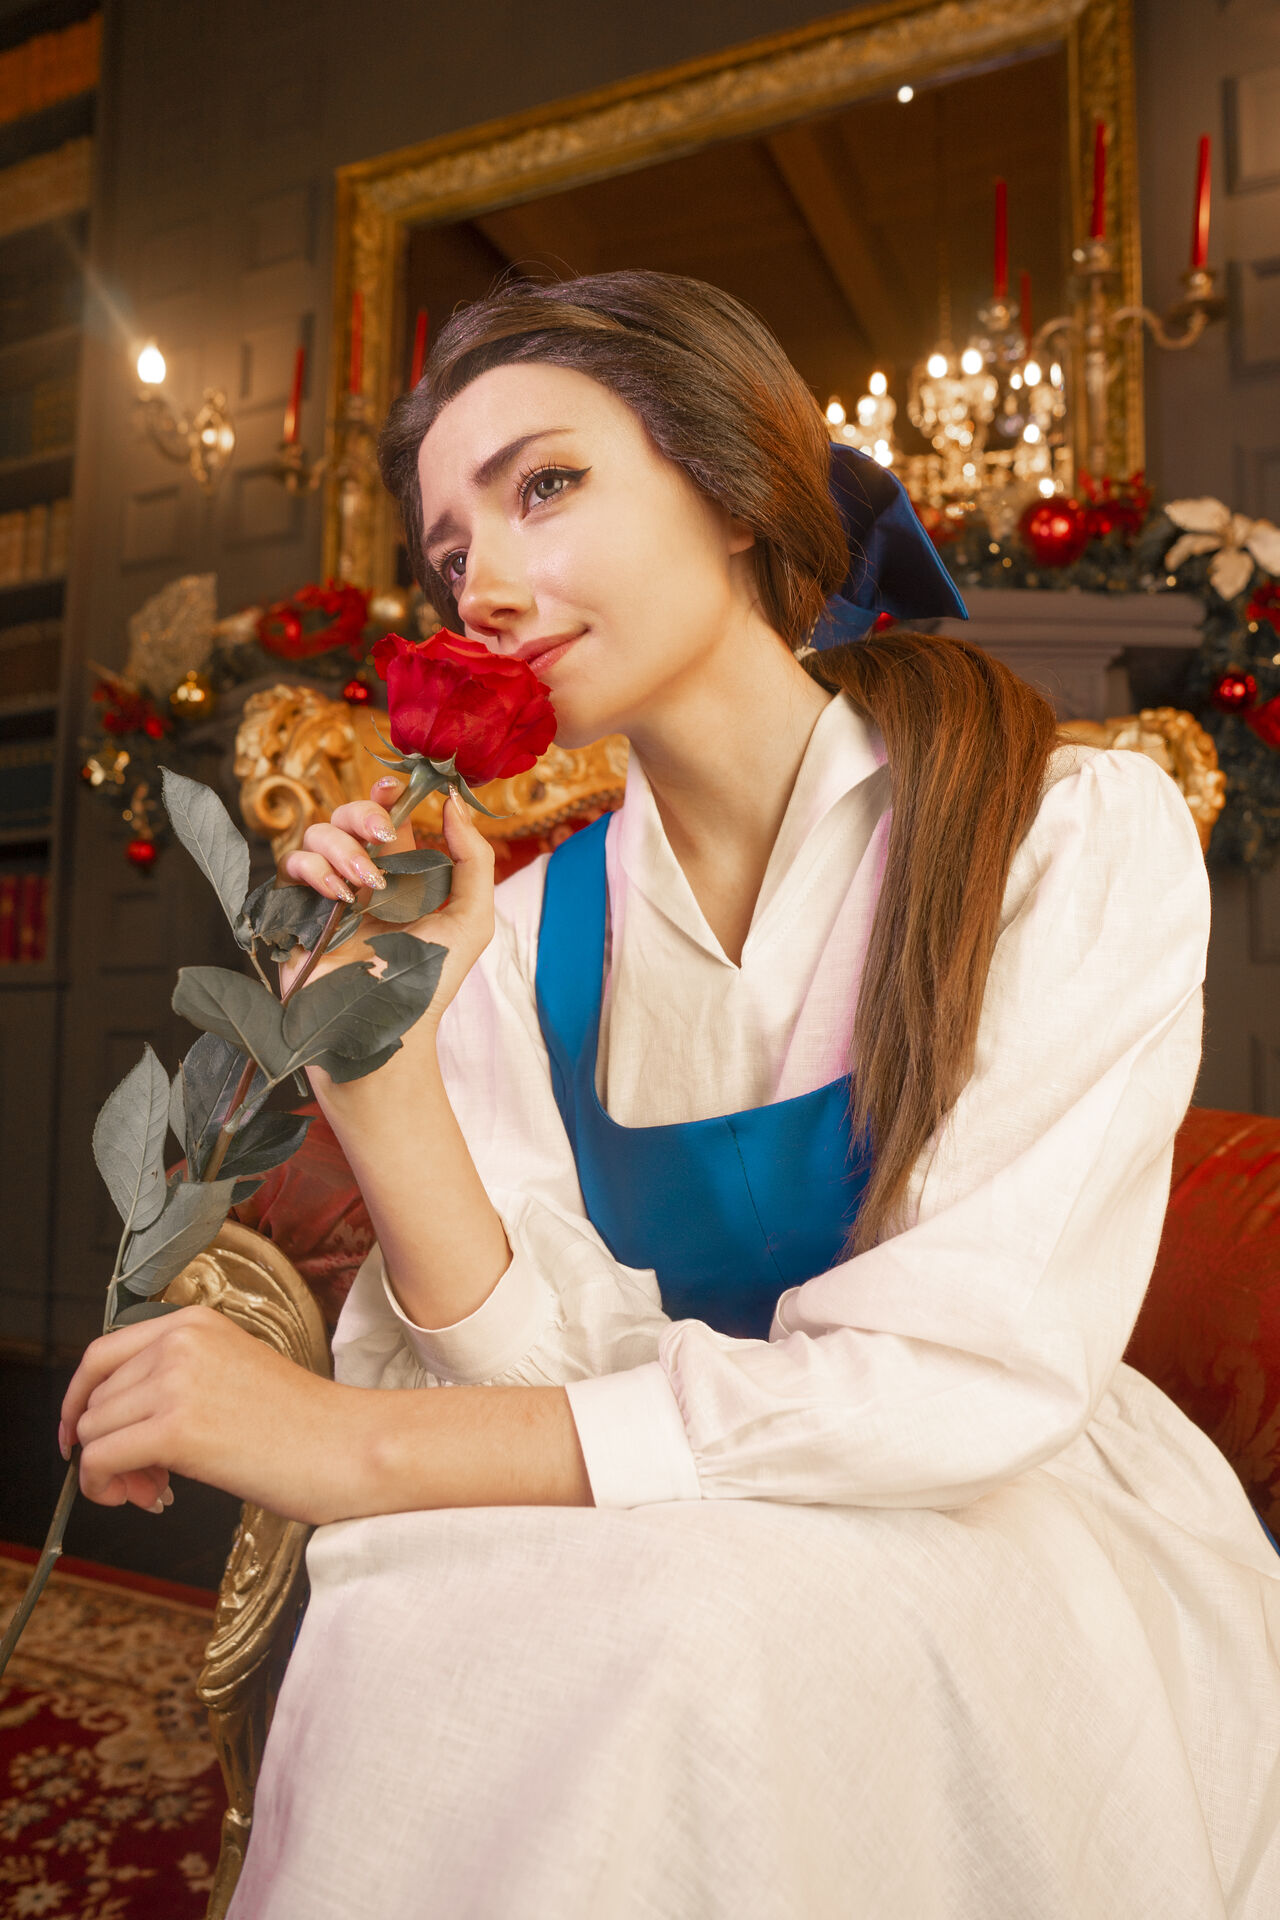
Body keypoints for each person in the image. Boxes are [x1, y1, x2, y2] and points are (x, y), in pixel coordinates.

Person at [62, 273, 1280, 1919]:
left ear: (733, 486)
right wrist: (382, 1064)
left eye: (546, 486)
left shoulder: (1068, 837)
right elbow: (528, 1373)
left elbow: (957, 1380)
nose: (484, 588)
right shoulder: (513, 936)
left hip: (994, 1505)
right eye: (448, 553)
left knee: (672, 1631)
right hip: (653, 1502)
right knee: (413, 1612)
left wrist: (354, 1444)